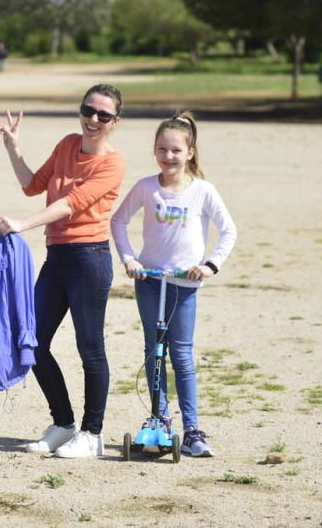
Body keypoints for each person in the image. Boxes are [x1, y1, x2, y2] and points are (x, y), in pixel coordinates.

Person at [0, 84, 125, 459]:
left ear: (115, 121)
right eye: (89, 110)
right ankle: (64, 424)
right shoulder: (68, 144)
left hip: (89, 260)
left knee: (90, 348)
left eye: (103, 115)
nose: (93, 120)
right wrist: (13, 148)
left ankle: (92, 433)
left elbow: (72, 204)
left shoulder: (113, 164)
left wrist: (23, 225)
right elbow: (33, 185)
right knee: (32, 342)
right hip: (58, 259)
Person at [109, 112, 237, 457]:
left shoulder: (203, 192)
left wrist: (209, 265)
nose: (169, 156)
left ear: (190, 153)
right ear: (155, 151)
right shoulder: (146, 187)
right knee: (154, 351)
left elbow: (229, 231)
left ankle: (193, 429)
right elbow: (119, 220)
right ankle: (159, 419)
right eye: (162, 149)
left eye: (176, 150)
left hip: (184, 284)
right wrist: (129, 259)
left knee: (180, 354)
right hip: (150, 280)